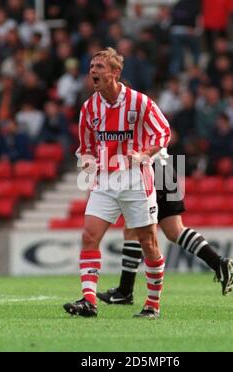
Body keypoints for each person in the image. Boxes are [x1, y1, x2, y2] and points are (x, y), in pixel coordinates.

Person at [63, 47, 171, 319]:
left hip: (136, 179)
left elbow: (163, 132)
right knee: (89, 235)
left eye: (99, 66)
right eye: (92, 66)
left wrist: (144, 153)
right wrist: (87, 160)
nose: (93, 71)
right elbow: (85, 145)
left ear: (115, 72)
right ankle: (89, 301)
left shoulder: (140, 102)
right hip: (105, 181)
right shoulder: (89, 107)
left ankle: (153, 305)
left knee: (148, 242)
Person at [97, 151, 233, 305]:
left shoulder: (140, 126)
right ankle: (218, 263)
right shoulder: (158, 128)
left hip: (151, 171)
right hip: (167, 168)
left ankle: (125, 291)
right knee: (175, 231)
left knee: (133, 229)